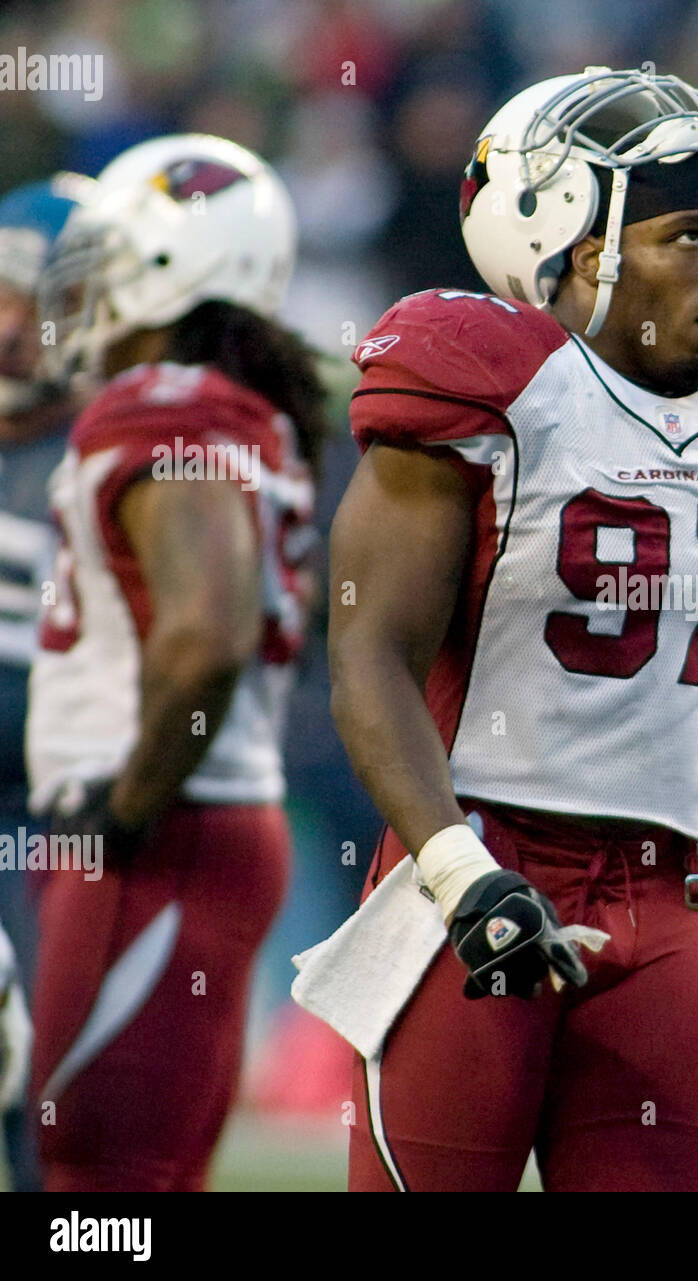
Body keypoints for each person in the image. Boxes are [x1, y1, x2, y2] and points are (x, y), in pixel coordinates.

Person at [325, 66, 698, 1192]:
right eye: (688, 236)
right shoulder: (485, 381)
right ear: (577, 248)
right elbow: (368, 652)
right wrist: (456, 870)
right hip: (484, 863)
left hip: (682, 893)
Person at [24, 134, 325, 1191]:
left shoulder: (167, 406)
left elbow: (204, 637)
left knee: (96, 1182)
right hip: (217, 822)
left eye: (110, 259)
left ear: (168, 267)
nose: (86, 289)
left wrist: (124, 808)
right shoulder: (240, 409)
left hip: (163, 828)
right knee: (147, 1177)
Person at [0, 173, 93, 1190]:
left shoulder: (120, 451)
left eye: (37, 300)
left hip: (48, 819)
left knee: (53, 1099)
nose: (14, 329)